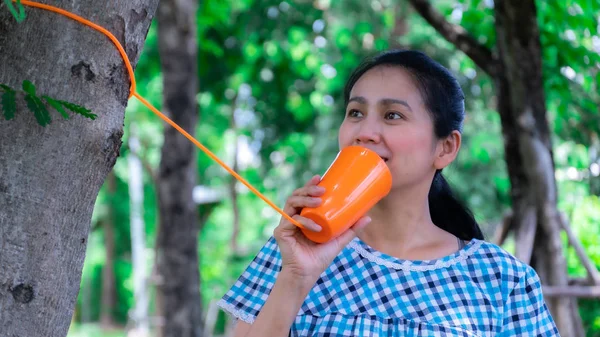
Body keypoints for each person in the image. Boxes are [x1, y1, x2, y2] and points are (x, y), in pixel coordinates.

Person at [217, 49, 560, 336]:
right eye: (355, 112)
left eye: (392, 115)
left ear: (445, 148)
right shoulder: (290, 249)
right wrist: (296, 276)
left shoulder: (502, 278)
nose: (365, 131)